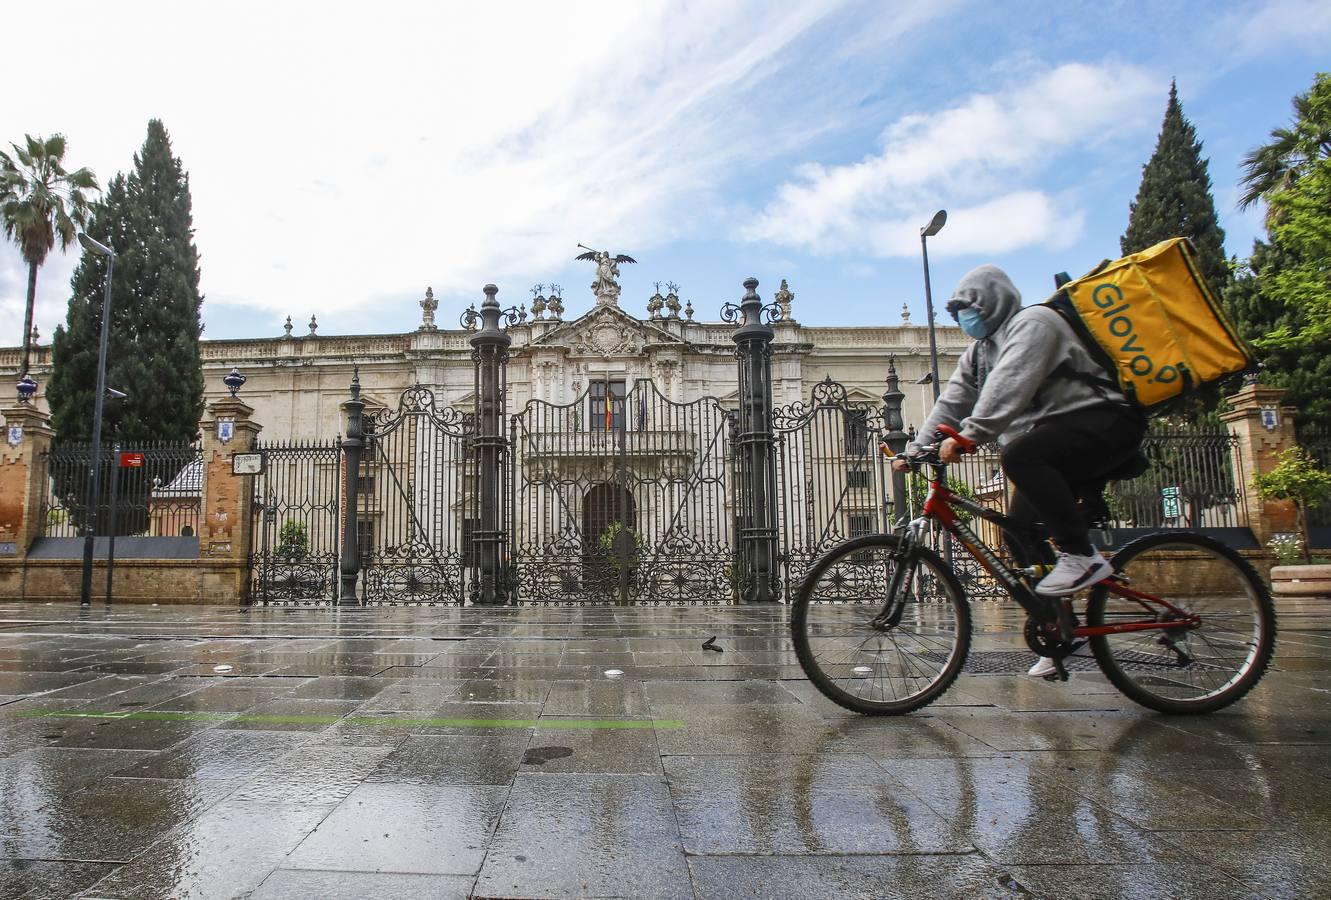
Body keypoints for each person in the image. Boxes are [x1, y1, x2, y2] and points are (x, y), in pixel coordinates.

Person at [896, 264, 1146, 676]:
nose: (963, 319)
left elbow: (1007, 387)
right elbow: (952, 400)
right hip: (1057, 441)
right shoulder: (980, 353)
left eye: (968, 309)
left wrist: (968, 436)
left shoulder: (1035, 322)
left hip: (1105, 422)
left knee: (1019, 457)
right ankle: (1060, 628)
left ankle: (1082, 555)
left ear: (992, 301)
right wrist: (917, 449)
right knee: (1018, 532)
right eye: (957, 313)